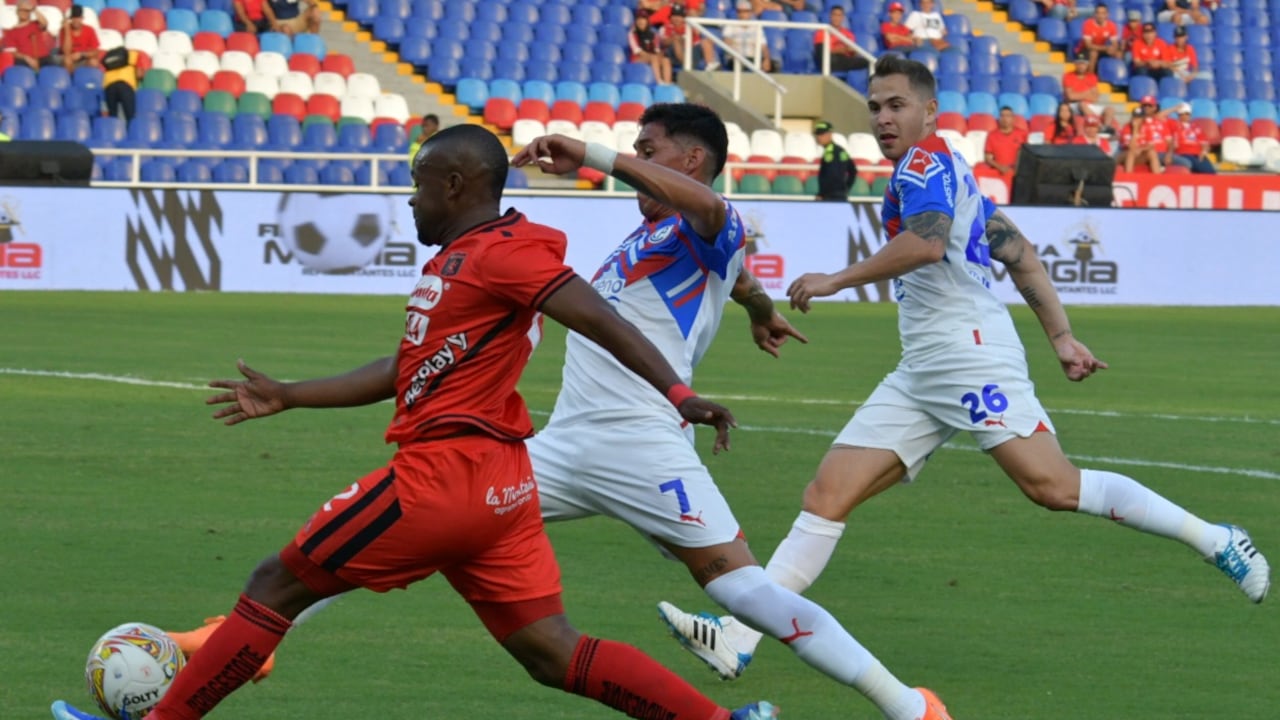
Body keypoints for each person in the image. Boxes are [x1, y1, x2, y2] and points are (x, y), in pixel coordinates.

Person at [152, 104, 958, 720]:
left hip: (645, 445)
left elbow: (717, 224)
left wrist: (600, 156)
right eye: (634, 151)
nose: (637, 164)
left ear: (692, 161)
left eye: (650, 152)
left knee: (741, 591)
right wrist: (750, 304)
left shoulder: (709, 219)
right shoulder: (651, 243)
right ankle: (247, 640)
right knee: (431, 538)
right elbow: (730, 271)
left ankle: (906, 705)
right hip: (559, 447)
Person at [48, 124, 778, 720]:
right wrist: (291, 394)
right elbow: (405, 368)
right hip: (502, 490)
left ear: (455, 184)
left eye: (419, 184)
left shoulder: (505, 253)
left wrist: (678, 396)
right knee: (551, 652)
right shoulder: (462, 261)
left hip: (443, 480)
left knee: (276, 584)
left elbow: (591, 314)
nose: (410, 199)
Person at [657, 53, 1271, 684]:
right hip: (926, 365)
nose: (883, 118)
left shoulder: (925, 164)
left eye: (896, 105)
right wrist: (1060, 336)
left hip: (966, 352)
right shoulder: (952, 170)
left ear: (930, 111)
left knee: (1054, 487)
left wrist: (838, 278)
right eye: (874, 107)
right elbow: (1020, 253)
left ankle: (1217, 538)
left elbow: (924, 243)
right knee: (827, 493)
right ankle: (737, 636)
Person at [662, 5, 719, 71]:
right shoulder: (667, 27)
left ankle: (710, 65)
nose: (676, 18)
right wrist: (675, 38)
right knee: (676, 42)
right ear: (671, 17)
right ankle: (686, 66)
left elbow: (698, 36)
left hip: (692, 52)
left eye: (679, 16)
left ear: (684, 18)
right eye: (674, 15)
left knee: (706, 41)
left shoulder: (689, 25)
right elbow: (664, 43)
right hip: (675, 55)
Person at [2, 0, 55, 70]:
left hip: (43, 58)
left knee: (53, 65)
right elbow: (12, 52)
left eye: (27, 11)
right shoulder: (11, 32)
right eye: (22, 10)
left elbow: (45, 23)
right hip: (25, 60)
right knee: (19, 66)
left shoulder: (36, 24)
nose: (24, 13)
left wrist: (34, 9)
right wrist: (27, 58)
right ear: (17, 12)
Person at [721, 0, 772, 72]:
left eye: (745, 11)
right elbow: (727, 42)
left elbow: (763, 46)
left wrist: (767, 59)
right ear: (737, 13)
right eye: (740, 11)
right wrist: (734, 53)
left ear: (750, 12)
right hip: (736, 58)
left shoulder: (756, 26)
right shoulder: (730, 25)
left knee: (772, 65)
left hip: (752, 58)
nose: (742, 14)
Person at [813, 6, 867, 73]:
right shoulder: (822, 32)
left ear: (842, 17)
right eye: (834, 15)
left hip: (844, 59)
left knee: (866, 61)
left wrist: (852, 51)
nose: (836, 18)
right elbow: (821, 52)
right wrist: (837, 50)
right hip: (829, 59)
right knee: (829, 58)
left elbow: (852, 52)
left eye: (839, 15)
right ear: (830, 16)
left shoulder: (848, 34)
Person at [982, 106, 1027, 183]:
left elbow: (1025, 155)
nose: (1005, 119)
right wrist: (1000, 167)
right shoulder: (992, 135)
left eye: (1008, 116)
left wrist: (1016, 167)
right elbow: (988, 158)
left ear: (1013, 118)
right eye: (1002, 116)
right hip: (998, 172)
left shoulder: (1022, 134)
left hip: (1017, 172)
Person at [813, 120, 856, 200]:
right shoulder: (840, 150)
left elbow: (830, 176)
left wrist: (822, 193)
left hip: (830, 197)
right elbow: (853, 170)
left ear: (830, 134)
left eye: (822, 134)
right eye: (817, 134)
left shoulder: (831, 152)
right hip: (840, 195)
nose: (818, 137)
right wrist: (845, 189)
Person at [629, 10, 674, 85]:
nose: (641, 21)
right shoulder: (632, 34)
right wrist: (653, 56)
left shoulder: (654, 34)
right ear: (636, 21)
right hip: (637, 59)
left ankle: (667, 83)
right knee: (654, 57)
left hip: (652, 57)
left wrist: (660, 55)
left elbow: (656, 49)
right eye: (639, 19)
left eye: (643, 19)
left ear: (647, 21)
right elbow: (637, 51)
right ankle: (659, 82)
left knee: (665, 59)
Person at [1168, 102, 1215, 173]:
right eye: (1183, 114)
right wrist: (1174, 108)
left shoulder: (1196, 127)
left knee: (1211, 172)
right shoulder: (1174, 124)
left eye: (1188, 113)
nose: (1186, 116)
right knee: (1202, 169)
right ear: (1179, 115)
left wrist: (1204, 152)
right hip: (1183, 153)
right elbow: (1159, 116)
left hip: (1198, 154)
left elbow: (1205, 143)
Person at [1078, 5, 1121, 75]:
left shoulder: (1111, 25)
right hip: (1085, 49)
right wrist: (1106, 48)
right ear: (1095, 14)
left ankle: (1112, 77)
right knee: (1094, 53)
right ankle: (1090, 77)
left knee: (1118, 54)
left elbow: (1115, 43)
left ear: (1107, 14)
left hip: (1101, 48)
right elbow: (1088, 45)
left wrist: (1113, 49)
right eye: (1098, 13)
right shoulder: (1088, 23)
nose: (1100, 16)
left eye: (1103, 13)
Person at [101, 47, 140, 122]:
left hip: (109, 86)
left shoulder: (110, 56)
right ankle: (130, 132)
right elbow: (139, 74)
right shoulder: (135, 55)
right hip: (125, 85)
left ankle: (113, 132)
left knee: (112, 116)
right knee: (130, 116)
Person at [57, 5, 100, 72]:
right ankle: (70, 80)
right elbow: (66, 52)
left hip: (83, 59)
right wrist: (67, 31)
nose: (76, 21)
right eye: (74, 18)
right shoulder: (64, 30)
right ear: (71, 19)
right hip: (69, 60)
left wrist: (81, 55)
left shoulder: (89, 30)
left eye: (78, 18)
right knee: (67, 60)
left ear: (82, 18)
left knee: (93, 62)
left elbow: (96, 52)